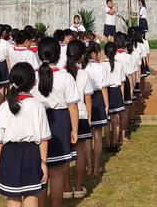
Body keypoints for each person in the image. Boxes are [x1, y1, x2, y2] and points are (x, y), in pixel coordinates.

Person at [0, 62, 50, 206]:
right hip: (31, 154)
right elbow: (44, 139)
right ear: (33, 82)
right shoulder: (38, 106)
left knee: (13, 198)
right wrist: (44, 163)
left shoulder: (4, 107)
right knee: (31, 195)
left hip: (9, 155)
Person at [33, 37, 79, 206]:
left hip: (37, 123)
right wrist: (74, 130)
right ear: (59, 55)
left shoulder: (33, 76)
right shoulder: (65, 77)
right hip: (59, 123)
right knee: (57, 173)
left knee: (40, 171)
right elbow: (73, 106)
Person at [65, 40, 92, 199]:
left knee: (66, 155)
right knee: (80, 153)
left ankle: (67, 188)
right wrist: (89, 117)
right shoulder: (83, 74)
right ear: (82, 56)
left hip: (65, 117)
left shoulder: (62, 73)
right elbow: (88, 97)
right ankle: (78, 187)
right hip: (81, 116)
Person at [83, 41, 109, 176]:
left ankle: (88, 166)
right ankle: (97, 166)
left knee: (88, 136)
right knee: (98, 135)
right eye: (99, 52)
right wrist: (106, 104)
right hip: (98, 99)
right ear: (94, 53)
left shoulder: (83, 68)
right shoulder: (101, 68)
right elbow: (104, 88)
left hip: (85, 99)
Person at [102, 41, 125, 152]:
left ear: (105, 52)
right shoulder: (119, 65)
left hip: (106, 92)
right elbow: (122, 82)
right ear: (115, 52)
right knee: (116, 119)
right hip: (116, 92)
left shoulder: (101, 65)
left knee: (107, 120)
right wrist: (122, 98)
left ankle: (108, 143)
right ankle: (115, 143)